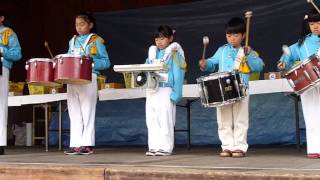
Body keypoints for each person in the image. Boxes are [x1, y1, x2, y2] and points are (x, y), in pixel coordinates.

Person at [199, 17, 263, 157]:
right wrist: (205, 64)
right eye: (229, 36)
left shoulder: (247, 51)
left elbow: (259, 66)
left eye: (235, 35)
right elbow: (212, 63)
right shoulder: (221, 50)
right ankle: (227, 146)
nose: (232, 38)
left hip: (241, 87)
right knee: (223, 119)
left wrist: (250, 55)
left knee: (241, 118)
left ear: (243, 35)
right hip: (222, 89)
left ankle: (239, 146)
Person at [64, 12, 110, 155]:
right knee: (74, 112)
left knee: (87, 112)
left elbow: (106, 62)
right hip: (72, 79)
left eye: (82, 24)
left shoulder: (96, 40)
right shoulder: (72, 40)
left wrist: (90, 62)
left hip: (88, 77)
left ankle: (87, 144)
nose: (78, 27)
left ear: (90, 25)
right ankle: (75, 144)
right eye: (76, 24)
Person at [277, 10, 320, 159]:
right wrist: (283, 63)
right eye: (312, 23)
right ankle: (315, 148)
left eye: (318, 23)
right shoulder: (301, 43)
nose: (315, 26)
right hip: (308, 82)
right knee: (311, 114)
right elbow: (288, 55)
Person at [145, 25, 186, 156]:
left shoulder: (175, 55)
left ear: (171, 38)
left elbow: (179, 75)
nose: (159, 42)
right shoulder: (152, 54)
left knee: (165, 119)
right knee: (151, 119)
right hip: (152, 90)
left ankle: (166, 147)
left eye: (162, 39)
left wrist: (176, 93)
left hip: (166, 89)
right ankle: (154, 146)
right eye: (157, 39)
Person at [0, 11, 22, 155]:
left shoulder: (7, 33)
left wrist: (2, 52)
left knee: (1, 105)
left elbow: (17, 53)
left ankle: (0, 142)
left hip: (1, 67)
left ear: (1, 18)